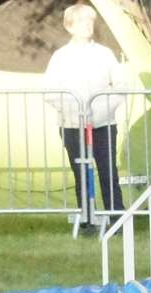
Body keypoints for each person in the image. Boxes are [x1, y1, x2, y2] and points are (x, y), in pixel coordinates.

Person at [44, 3, 127, 231]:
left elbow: (120, 86)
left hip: (103, 123)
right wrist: (73, 111)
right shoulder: (61, 57)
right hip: (72, 124)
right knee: (81, 172)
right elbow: (50, 91)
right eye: (82, 22)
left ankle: (116, 220)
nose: (88, 26)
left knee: (108, 171)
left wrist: (99, 111)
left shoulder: (105, 54)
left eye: (90, 21)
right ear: (70, 26)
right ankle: (88, 219)